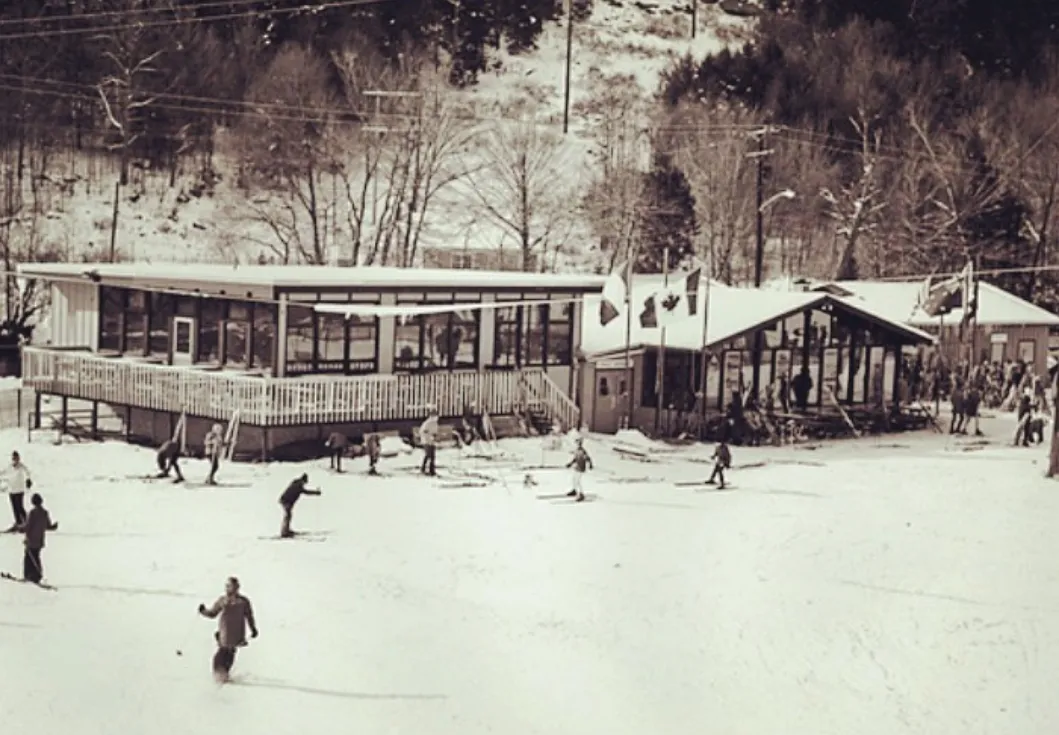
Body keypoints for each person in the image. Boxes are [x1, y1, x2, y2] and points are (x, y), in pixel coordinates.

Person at [198, 577, 258, 683]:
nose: (229, 589)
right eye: (227, 586)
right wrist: (203, 611)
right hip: (228, 634)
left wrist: (253, 629)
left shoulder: (240, 601)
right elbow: (213, 613)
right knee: (226, 654)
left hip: (231, 635)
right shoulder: (226, 600)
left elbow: (249, 616)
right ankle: (222, 675)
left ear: (237, 587)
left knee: (223, 655)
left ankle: (221, 675)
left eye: (231, 586)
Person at [21, 493, 57, 585]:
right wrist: (54, 526)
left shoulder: (32, 513)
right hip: (40, 540)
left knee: (28, 558)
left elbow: (28, 527)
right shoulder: (45, 513)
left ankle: (29, 576)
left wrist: (19, 527)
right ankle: (36, 576)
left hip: (31, 540)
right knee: (36, 557)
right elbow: (48, 526)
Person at [278, 473, 322, 538]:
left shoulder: (296, 483)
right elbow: (306, 492)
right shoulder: (298, 485)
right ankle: (284, 532)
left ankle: (286, 530)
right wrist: (316, 493)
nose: (304, 484)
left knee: (288, 515)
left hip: (285, 500)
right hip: (286, 501)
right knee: (288, 516)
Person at [5, 451, 32, 532]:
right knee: (14, 508)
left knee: (20, 507)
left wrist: (28, 480)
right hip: (11, 490)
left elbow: (28, 473)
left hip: (19, 490)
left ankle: (27, 522)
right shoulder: (9, 467)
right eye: (14, 458)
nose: (15, 460)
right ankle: (18, 522)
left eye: (16, 458)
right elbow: (3, 473)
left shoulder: (22, 467)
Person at [565, 438, 593, 502]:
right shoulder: (577, 450)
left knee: (578, 481)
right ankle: (574, 490)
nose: (577, 444)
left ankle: (581, 494)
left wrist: (590, 465)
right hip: (577, 467)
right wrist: (570, 464)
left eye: (578, 443)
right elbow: (575, 459)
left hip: (581, 468)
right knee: (573, 479)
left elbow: (588, 458)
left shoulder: (582, 451)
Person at [418, 409, 439, 477]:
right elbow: (423, 431)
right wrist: (429, 436)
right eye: (435, 416)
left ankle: (431, 470)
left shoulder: (435, 423)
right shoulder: (427, 423)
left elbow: (435, 432)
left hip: (432, 442)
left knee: (431, 456)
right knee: (428, 455)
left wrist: (434, 436)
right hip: (426, 441)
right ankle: (425, 469)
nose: (436, 417)